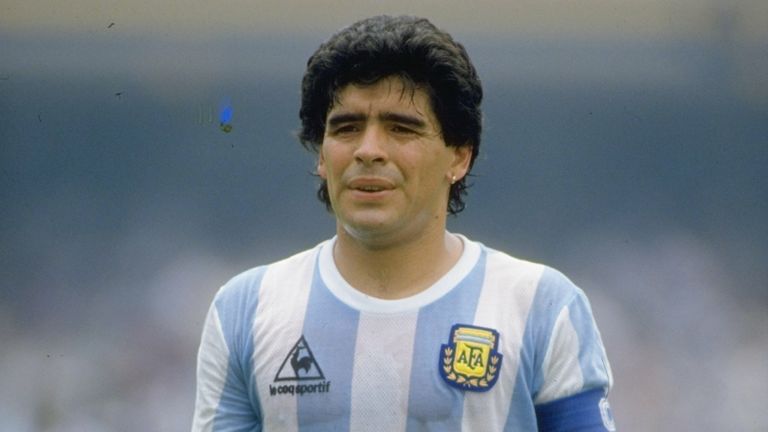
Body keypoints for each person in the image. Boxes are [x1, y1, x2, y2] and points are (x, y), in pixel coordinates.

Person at [192, 15, 615, 432]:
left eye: (401, 128)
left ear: (459, 156)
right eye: (347, 128)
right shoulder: (245, 310)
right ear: (321, 155)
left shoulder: (542, 305)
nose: (369, 150)